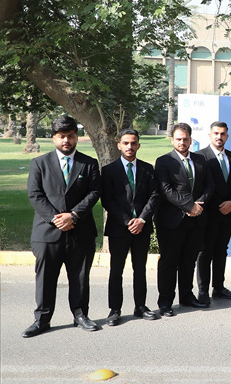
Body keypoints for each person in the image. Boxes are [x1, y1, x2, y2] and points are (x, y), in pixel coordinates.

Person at [23, 115, 102, 337]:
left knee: (80, 277)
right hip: (47, 232)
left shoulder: (89, 163)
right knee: (45, 278)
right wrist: (56, 218)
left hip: (81, 231)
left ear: (76, 137)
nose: (66, 140)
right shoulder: (40, 163)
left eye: (70, 136)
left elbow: (94, 192)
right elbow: (35, 194)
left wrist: (74, 215)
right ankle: (42, 319)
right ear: (54, 138)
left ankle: (80, 315)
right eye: (61, 136)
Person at [100, 129, 161, 325]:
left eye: (133, 143)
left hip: (142, 228)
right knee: (116, 270)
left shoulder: (147, 169)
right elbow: (107, 200)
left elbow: (154, 196)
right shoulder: (109, 170)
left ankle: (140, 306)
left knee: (140, 269)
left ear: (138, 145)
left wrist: (142, 220)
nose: (129, 146)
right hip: (119, 228)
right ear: (119, 145)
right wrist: (127, 221)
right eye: (125, 143)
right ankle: (114, 310)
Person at [154, 122, 210, 316]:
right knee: (169, 262)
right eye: (178, 139)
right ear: (172, 140)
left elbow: (209, 185)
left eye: (185, 139)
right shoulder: (164, 161)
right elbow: (166, 189)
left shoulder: (200, 160)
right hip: (171, 221)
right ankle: (165, 302)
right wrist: (189, 206)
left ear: (191, 140)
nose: (182, 142)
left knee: (188, 260)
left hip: (196, 220)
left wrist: (199, 204)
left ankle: (187, 296)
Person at [195, 121, 231, 303]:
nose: (219, 137)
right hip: (209, 213)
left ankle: (219, 287)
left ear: (227, 136)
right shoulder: (200, 156)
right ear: (210, 135)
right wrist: (219, 204)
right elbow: (203, 185)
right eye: (216, 133)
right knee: (205, 251)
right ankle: (203, 291)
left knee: (222, 250)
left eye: (222, 134)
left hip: (229, 213)